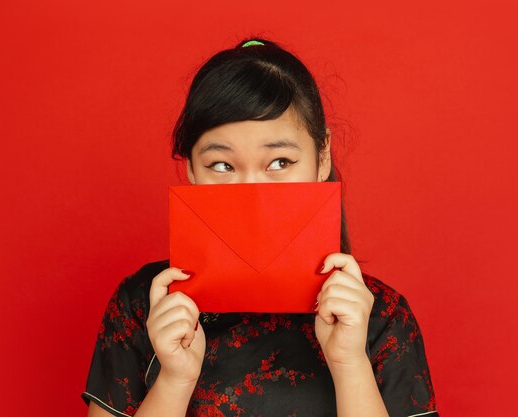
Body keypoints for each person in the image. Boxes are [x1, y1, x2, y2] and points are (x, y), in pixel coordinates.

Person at [82, 38, 438, 417]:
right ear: (189, 168)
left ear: (322, 159)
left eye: (280, 162)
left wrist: (350, 364)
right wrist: (174, 380)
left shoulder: (381, 316)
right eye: (221, 165)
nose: (252, 190)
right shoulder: (146, 305)